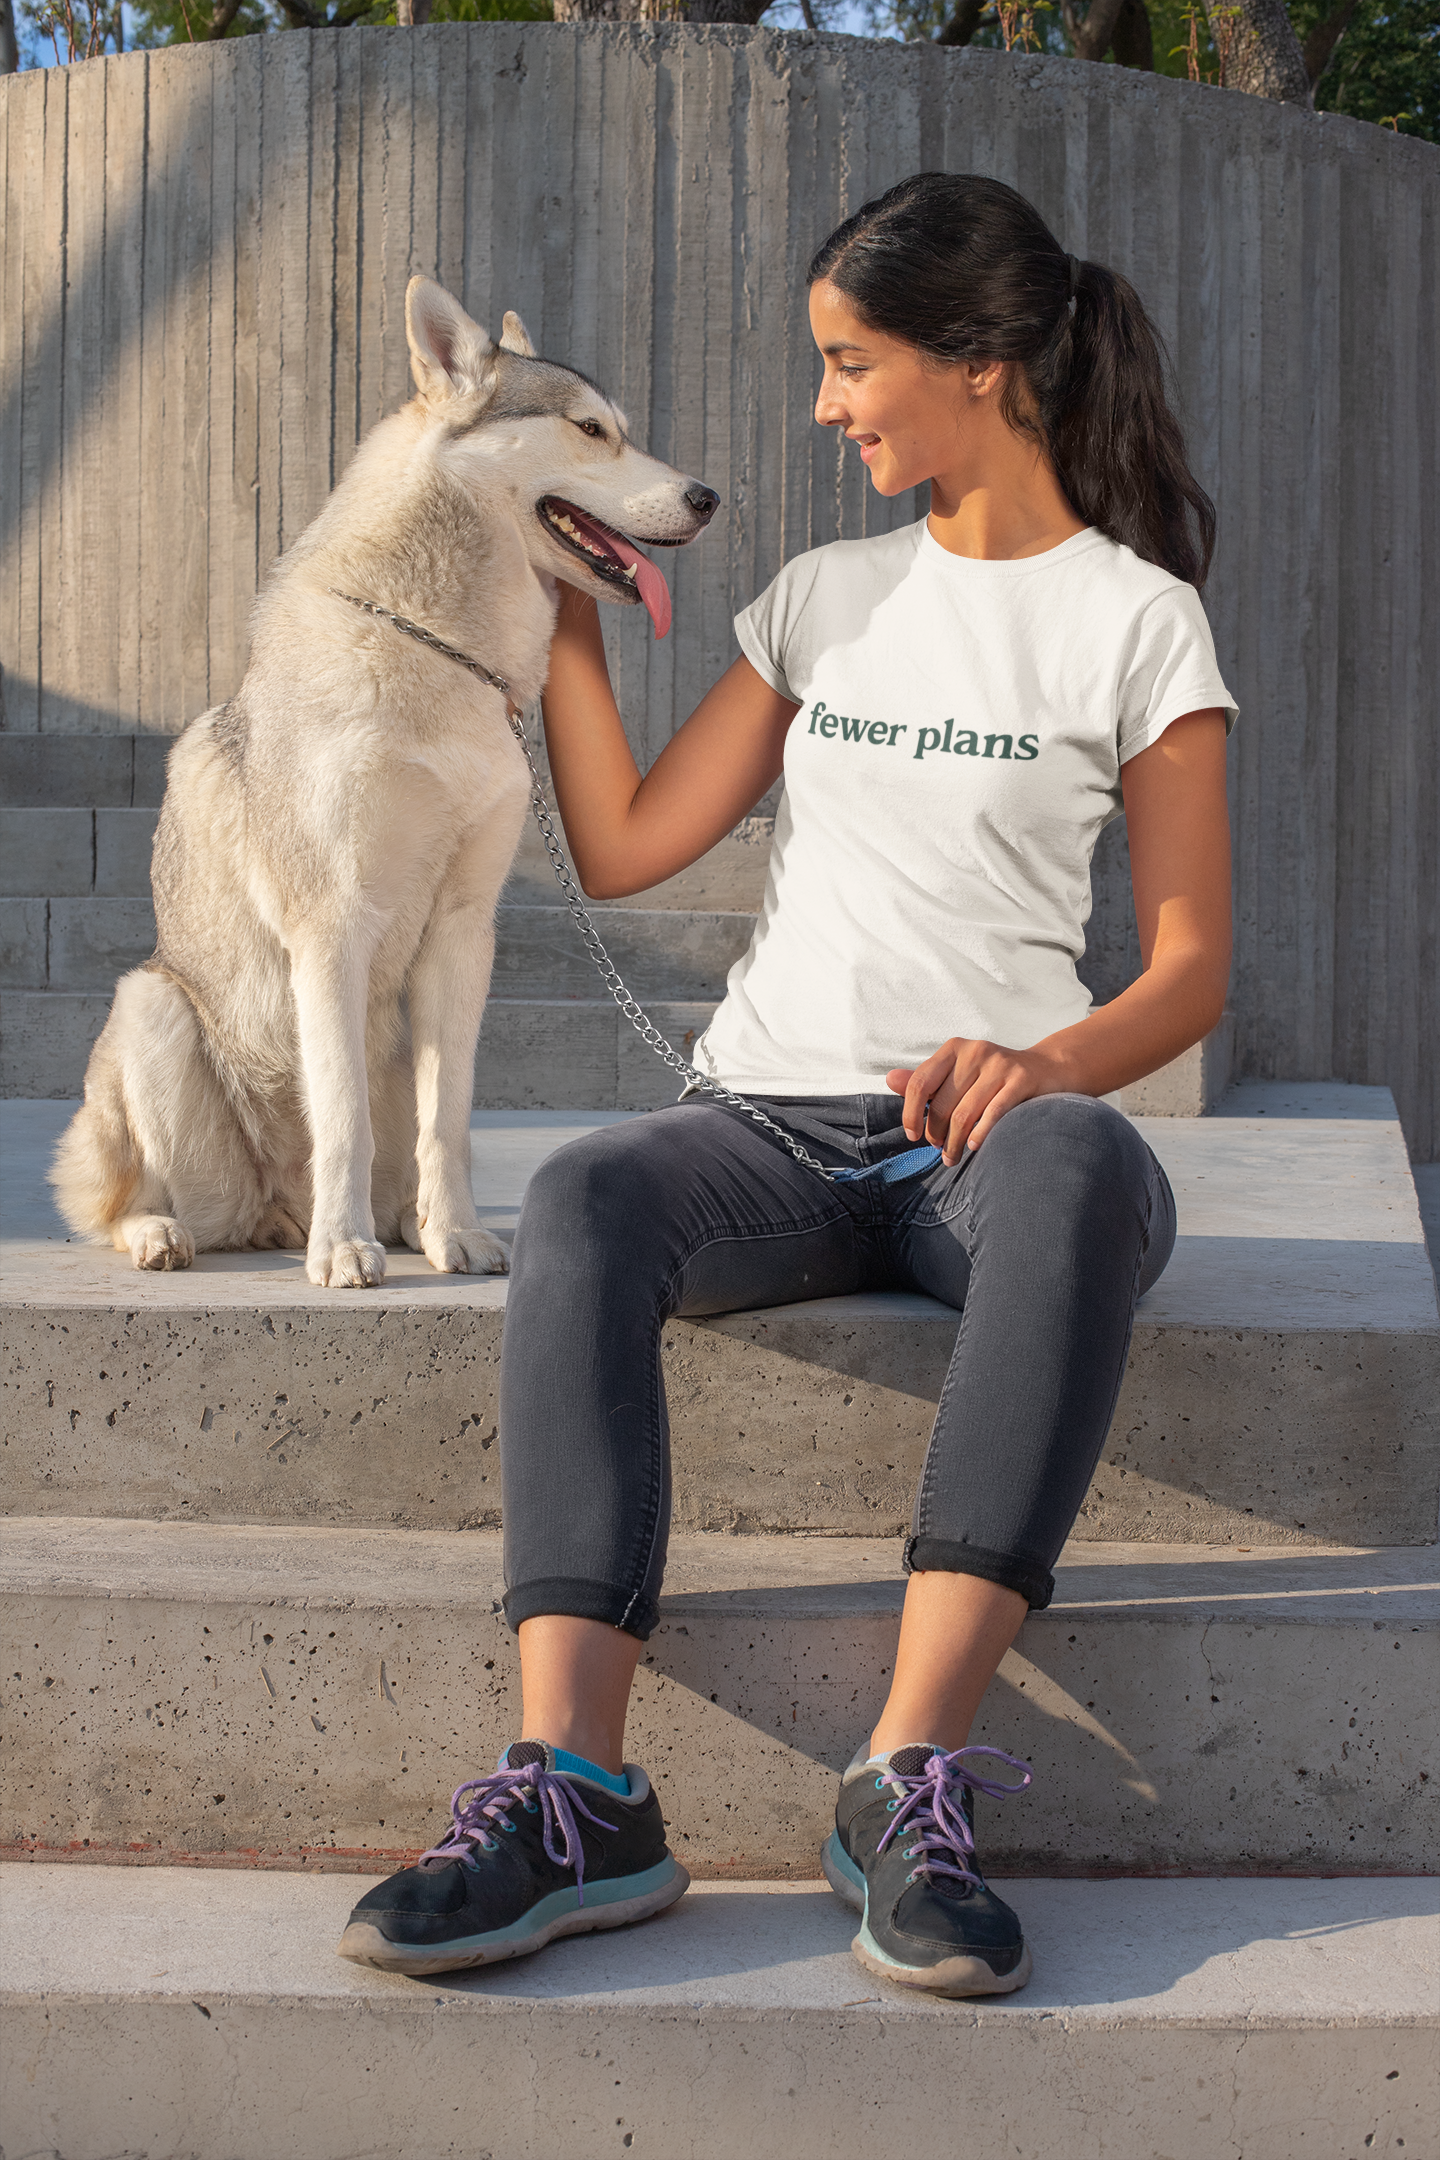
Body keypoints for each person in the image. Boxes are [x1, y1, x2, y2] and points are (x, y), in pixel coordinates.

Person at [338, 171, 1237, 1997]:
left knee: (1074, 1177)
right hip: (768, 1128)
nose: (823, 405)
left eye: (850, 364)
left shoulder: (1133, 622)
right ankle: (577, 1792)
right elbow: (627, 842)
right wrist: (572, 596)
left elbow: (1194, 962)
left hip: (994, 1138)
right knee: (590, 1189)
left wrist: (1043, 1065)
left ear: (979, 366)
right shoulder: (823, 599)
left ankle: (902, 1782)